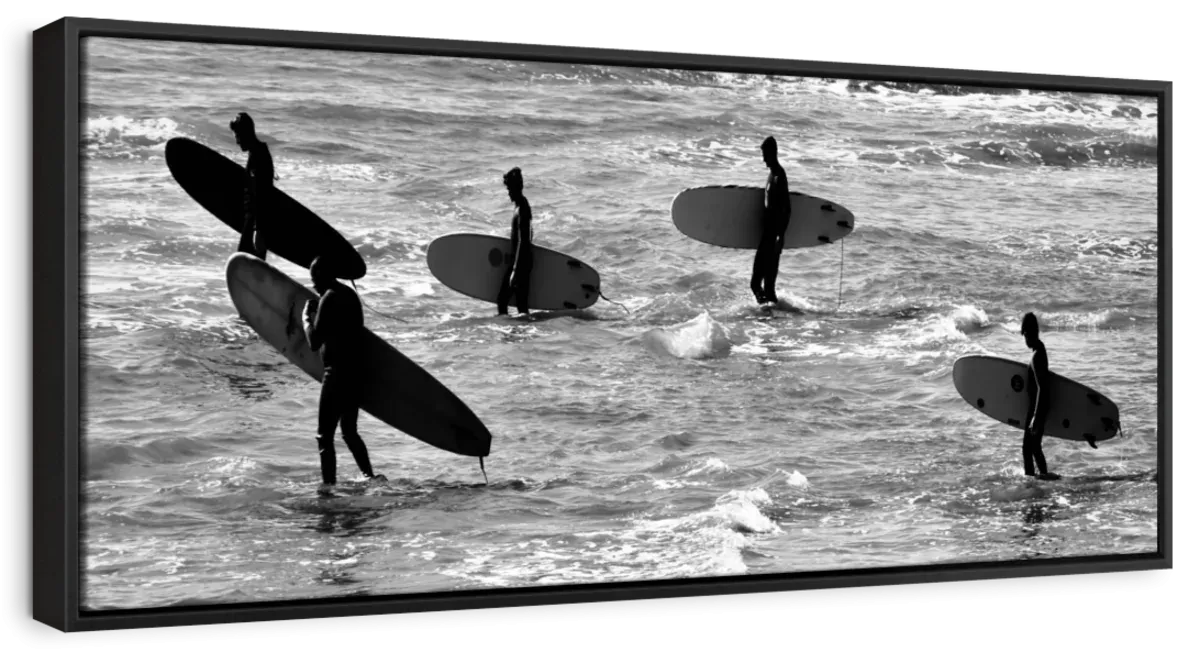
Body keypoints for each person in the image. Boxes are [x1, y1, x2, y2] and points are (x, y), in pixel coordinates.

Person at [290, 256, 383, 494]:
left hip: (337, 373)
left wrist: (305, 317)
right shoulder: (348, 295)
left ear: (324, 276)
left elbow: (314, 341)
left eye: (314, 279)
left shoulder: (330, 297)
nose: (313, 285)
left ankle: (328, 489)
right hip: (355, 372)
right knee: (349, 432)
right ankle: (369, 477)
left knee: (324, 437)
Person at [750, 136, 792, 305]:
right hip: (767, 236)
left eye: (765, 155)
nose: (763, 159)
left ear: (773, 153)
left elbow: (787, 209)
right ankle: (770, 316)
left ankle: (769, 316)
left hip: (772, 238)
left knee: (761, 285)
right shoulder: (771, 175)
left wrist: (780, 237)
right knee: (762, 286)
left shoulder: (779, 176)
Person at [230, 112, 276, 261]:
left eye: (237, 135)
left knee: (246, 268)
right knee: (245, 268)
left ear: (245, 133)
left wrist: (258, 230)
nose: (236, 141)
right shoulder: (256, 153)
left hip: (257, 224)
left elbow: (263, 195)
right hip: (253, 223)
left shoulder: (259, 156)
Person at [497, 167, 534, 318]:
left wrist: (515, 270)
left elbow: (523, 241)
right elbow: (531, 234)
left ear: (517, 188)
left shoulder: (522, 209)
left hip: (521, 263)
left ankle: (518, 333)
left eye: (510, 189)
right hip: (520, 261)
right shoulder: (520, 206)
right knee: (519, 302)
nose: (508, 193)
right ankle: (521, 333)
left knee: (505, 300)